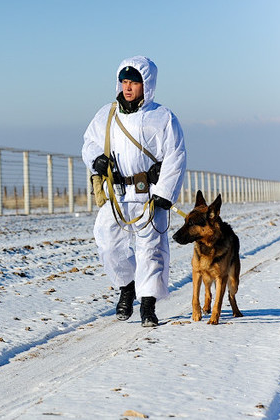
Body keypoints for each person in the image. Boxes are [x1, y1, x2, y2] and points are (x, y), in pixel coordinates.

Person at [82, 56, 187, 327]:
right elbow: (89, 142)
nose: (127, 87)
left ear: (147, 84)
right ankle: (127, 286)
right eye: (124, 81)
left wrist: (165, 191)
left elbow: (176, 155)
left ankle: (148, 305)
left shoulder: (162, 117)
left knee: (150, 249)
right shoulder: (106, 114)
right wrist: (96, 159)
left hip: (149, 193)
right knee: (107, 242)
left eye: (134, 82)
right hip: (116, 192)